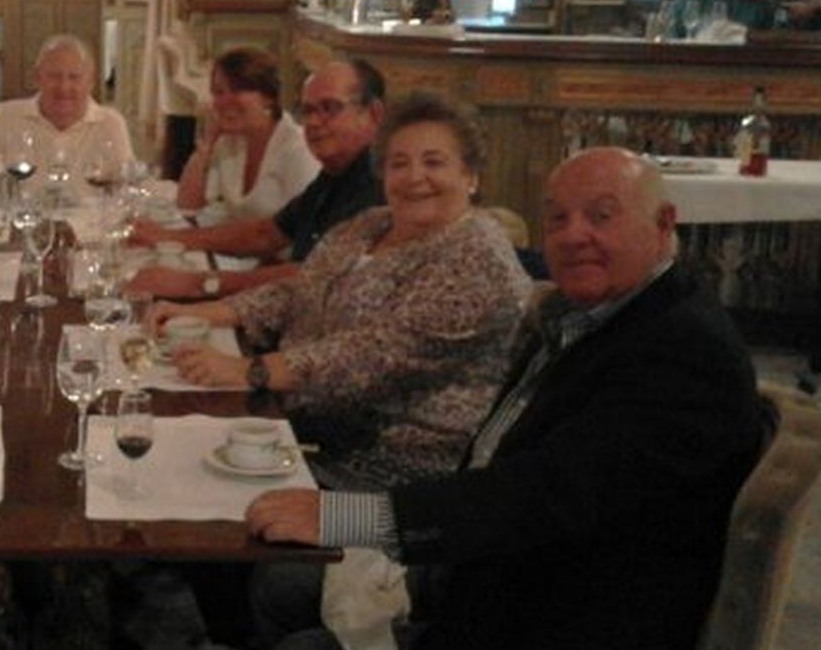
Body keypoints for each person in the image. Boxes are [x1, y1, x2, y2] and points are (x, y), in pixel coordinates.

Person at [244, 147, 767, 650]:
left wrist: (344, 516)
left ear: (664, 224)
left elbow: (540, 493)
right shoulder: (585, 317)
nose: (574, 235)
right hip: (510, 575)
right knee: (284, 584)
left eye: (601, 214)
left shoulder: (683, 351)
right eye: (559, 218)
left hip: (574, 644)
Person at [149, 92, 531, 488]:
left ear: (471, 175)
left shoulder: (476, 258)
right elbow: (299, 289)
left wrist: (249, 370)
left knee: (179, 478)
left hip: (376, 475)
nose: (415, 176)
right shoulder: (372, 224)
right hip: (293, 429)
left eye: (434, 162)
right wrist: (206, 312)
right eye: (399, 163)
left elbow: (368, 356)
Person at [127, 59, 387, 301]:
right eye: (308, 110)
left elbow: (313, 274)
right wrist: (167, 237)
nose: (314, 122)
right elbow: (264, 234)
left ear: (373, 114)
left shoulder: (381, 186)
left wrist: (199, 283)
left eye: (330, 108)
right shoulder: (334, 174)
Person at [0, 33, 134, 197]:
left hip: (89, 241)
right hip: (18, 238)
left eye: (74, 77)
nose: (64, 87)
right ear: (37, 78)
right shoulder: (7, 116)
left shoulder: (110, 124)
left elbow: (129, 188)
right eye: (54, 76)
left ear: (90, 82)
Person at [173, 47, 319, 224]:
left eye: (237, 90)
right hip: (236, 249)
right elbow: (187, 206)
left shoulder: (299, 149)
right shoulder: (229, 142)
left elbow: (304, 230)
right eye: (219, 92)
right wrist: (206, 146)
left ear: (268, 96)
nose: (225, 101)